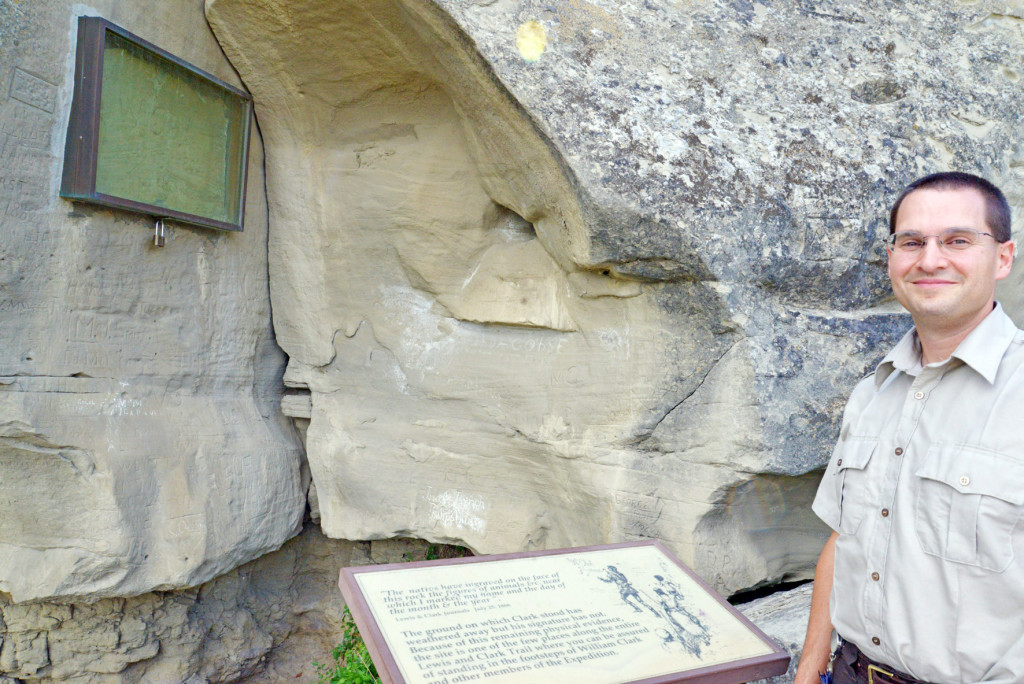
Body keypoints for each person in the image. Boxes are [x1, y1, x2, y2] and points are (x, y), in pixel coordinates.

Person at [794, 172, 1021, 684]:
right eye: (911, 242)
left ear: (1003, 257)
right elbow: (843, 536)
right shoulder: (872, 392)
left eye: (958, 240)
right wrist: (809, 669)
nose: (931, 259)